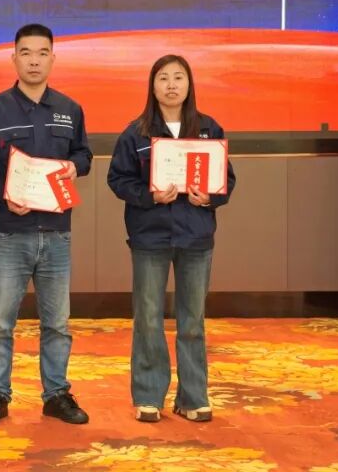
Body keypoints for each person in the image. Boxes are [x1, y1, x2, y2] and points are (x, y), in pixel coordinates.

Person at [0, 23, 92, 426]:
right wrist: (4, 193)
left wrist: (74, 166)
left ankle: (56, 394)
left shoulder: (70, 109)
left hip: (56, 234)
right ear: (13, 58)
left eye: (42, 53)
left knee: (57, 323)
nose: (34, 61)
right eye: (26, 53)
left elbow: (84, 155)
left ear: (53, 58)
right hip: (9, 233)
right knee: (0, 321)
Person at [107, 55, 236, 424]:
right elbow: (118, 180)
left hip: (196, 238)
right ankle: (149, 395)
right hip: (150, 237)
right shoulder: (135, 133)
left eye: (179, 77)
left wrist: (208, 197)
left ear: (189, 84)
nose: (171, 85)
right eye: (163, 78)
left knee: (192, 321)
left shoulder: (209, 128)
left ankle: (193, 397)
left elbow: (226, 179)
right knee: (148, 318)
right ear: (152, 86)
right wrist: (151, 196)